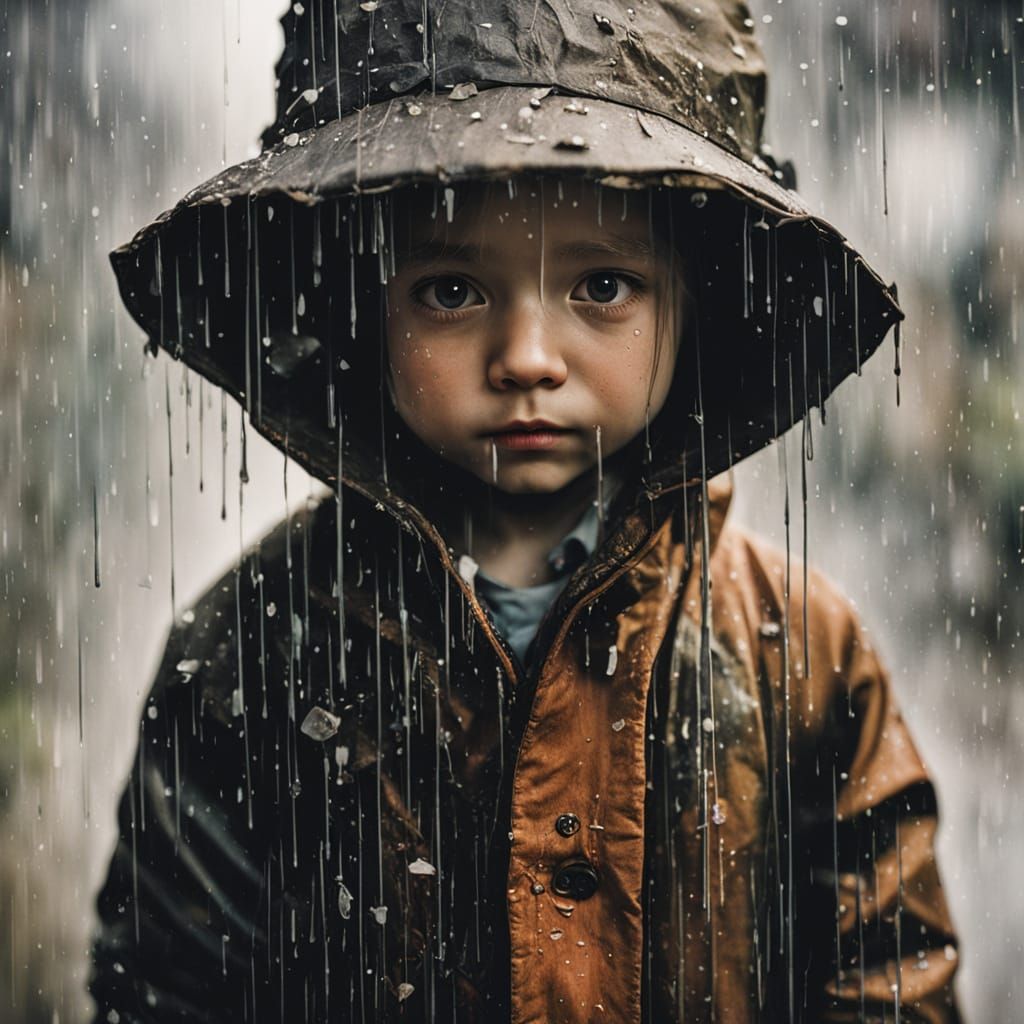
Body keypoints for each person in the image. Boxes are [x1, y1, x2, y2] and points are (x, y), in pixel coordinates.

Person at [90, 1, 962, 1021]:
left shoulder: (798, 653)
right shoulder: (255, 647)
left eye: (601, 284)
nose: (527, 358)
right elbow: (169, 986)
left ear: (692, 305)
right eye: (452, 291)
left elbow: (887, 980)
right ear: (364, 306)